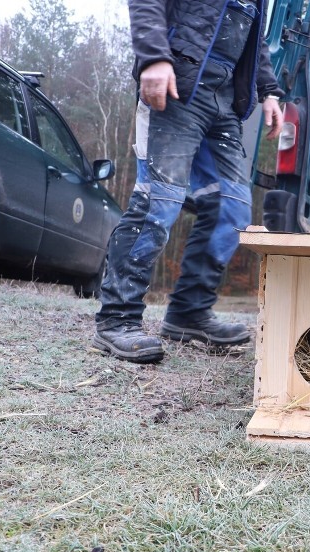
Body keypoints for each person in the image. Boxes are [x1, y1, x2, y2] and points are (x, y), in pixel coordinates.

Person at [92, 0, 284, 363]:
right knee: (158, 202)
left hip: (224, 100)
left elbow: (254, 38)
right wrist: (153, 56)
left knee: (232, 209)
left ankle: (188, 313)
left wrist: (268, 91)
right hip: (179, 82)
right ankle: (117, 319)